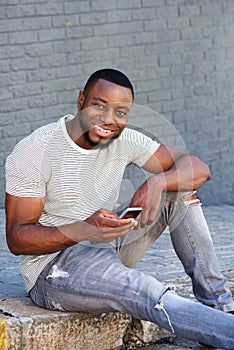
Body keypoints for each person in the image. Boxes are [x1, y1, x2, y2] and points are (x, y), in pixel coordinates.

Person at [5, 68, 234, 348]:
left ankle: (221, 308)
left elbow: (198, 168)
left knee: (180, 188)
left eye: (120, 112)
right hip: (54, 269)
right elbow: (17, 238)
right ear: (80, 101)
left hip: (107, 243)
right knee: (147, 290)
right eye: (99, 105)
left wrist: (156, 184)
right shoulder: (35, 150)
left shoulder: (124, 140)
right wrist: (82, 229)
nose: (109, 119)